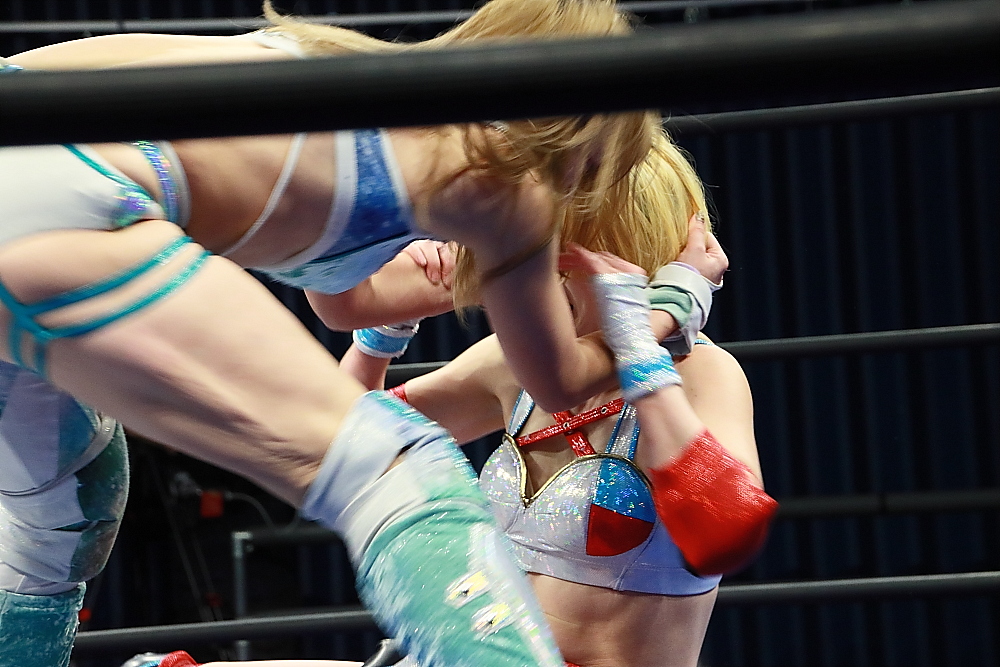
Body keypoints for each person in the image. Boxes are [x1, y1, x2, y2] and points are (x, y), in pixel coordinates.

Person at [0, 1, 662, 666]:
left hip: (28, 144)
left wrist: (412, 308)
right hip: (69, 207)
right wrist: (661, 310)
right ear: (591, 136)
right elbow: (559, 382)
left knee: (64, 511)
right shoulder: (500, 182)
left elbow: (345, 302)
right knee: (398, 470)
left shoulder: (345, 67)